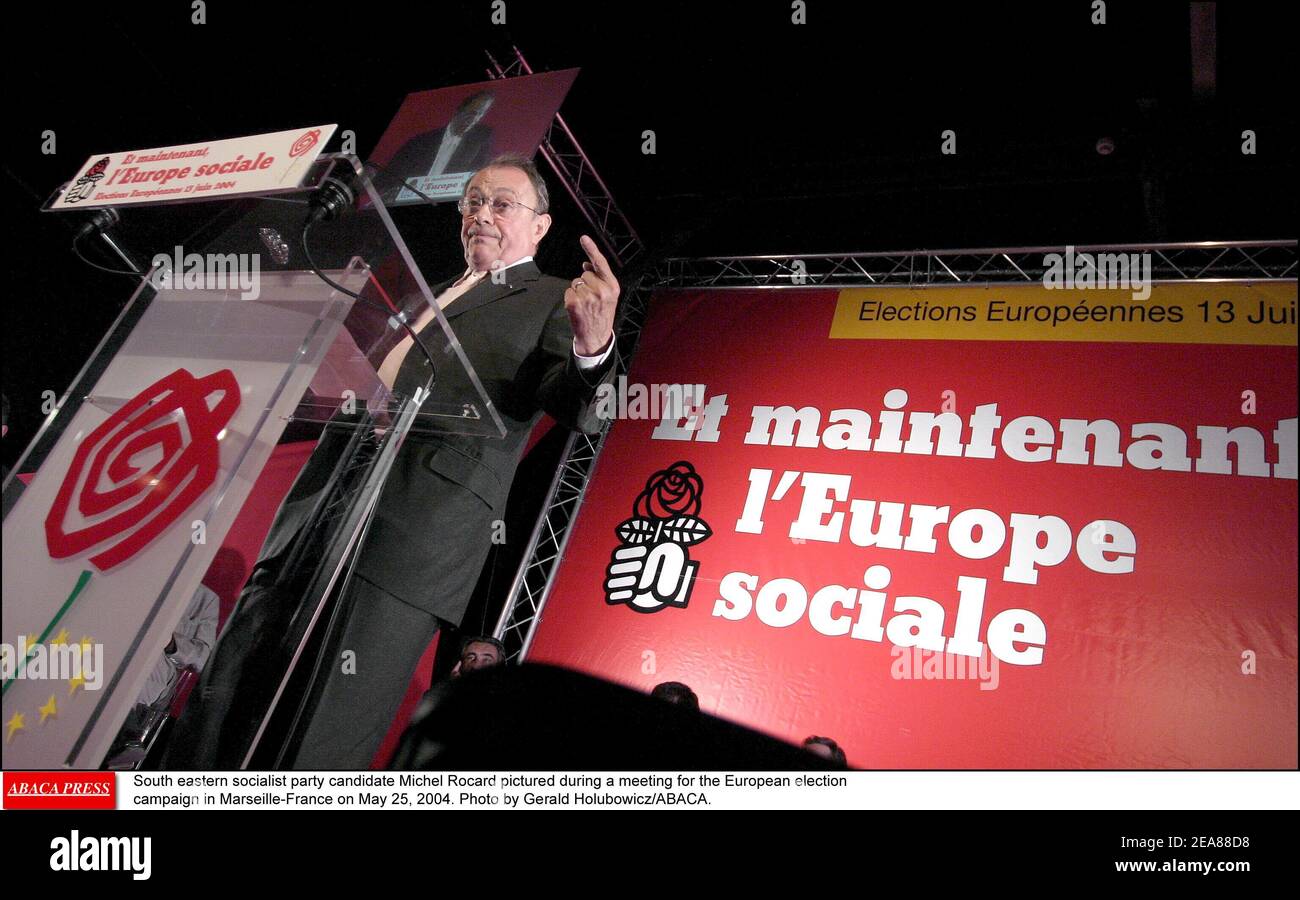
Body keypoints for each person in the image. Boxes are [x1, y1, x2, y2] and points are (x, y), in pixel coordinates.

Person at [165, 153, 620, 770]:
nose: (481, 214)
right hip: (325, 506)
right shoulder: (423, 292)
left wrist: (595, 351)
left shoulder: (549, 300)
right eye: (473, 202)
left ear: (540, 226)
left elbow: (586, 411)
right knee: (235, 682)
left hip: (413, 537)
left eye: (501, 204)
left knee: (325, 722)